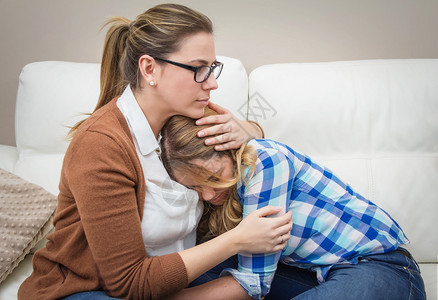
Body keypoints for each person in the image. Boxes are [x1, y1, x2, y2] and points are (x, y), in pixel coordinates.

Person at [18, 4, 293, 300]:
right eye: (198, 69)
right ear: (150, 68)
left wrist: (248, 130)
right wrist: (237, 241)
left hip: (172, 273)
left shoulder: (187, 115)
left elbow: (252, 134)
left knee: (321, 278)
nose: (212, 83)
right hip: (86, 290)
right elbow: (129, 283)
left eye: (212, 68)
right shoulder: (100, 145)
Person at [159, 107, 427, 300]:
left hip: (378, 267)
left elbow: (254, 283)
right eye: (194, 186)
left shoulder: (264, 161)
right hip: (312, 273)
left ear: (231, 151)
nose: (206, 195)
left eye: (212, 177)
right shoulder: (219, 194)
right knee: (194, 268)